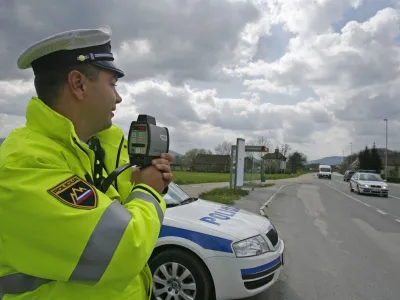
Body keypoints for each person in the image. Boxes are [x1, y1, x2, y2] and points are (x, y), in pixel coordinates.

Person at [0, 26, 173, 299]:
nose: (118, 97)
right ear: (78, 84)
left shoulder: (86, 151)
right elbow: (124, 249)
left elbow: (113, 217)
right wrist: (148, 191)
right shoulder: (25, 164)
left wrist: (144, 179)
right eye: (113, 84)